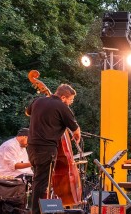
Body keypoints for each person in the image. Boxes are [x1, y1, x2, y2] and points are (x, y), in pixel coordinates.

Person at [26, 83, 81, 214]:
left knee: (38, 180)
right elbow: (76, 130)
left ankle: (38, 210)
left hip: (32, 147)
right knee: (42, 183)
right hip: (47, 148)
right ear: (63, 97)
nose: (70, 103)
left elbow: (28, 112)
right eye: (70, 100)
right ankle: (36, 212)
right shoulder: (62, 107)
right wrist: (77, 136)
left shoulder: (38, 101)